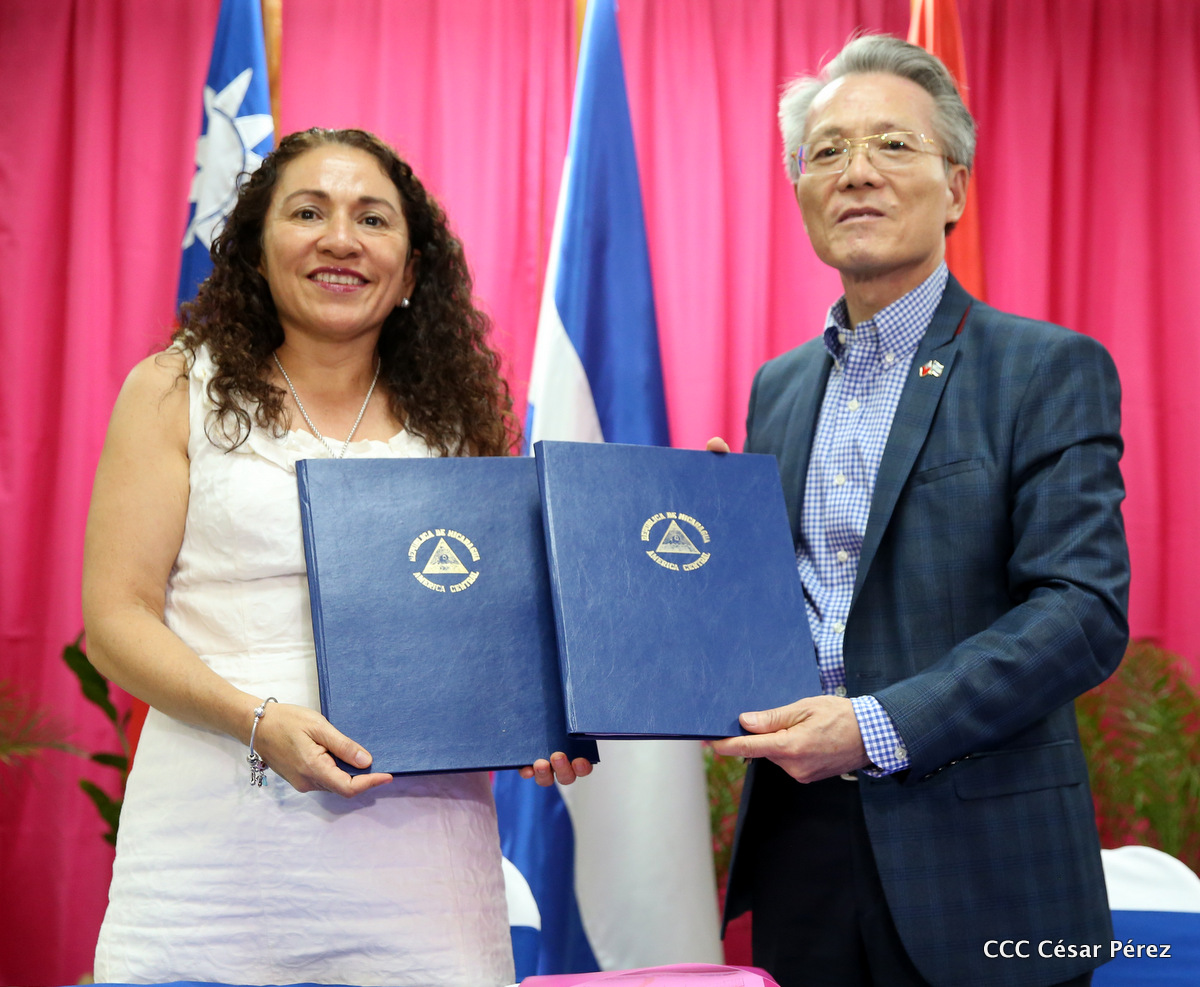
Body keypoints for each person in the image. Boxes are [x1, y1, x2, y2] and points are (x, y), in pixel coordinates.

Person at [83, 127, 590, 986]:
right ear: (256, 250)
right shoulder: (173, 388)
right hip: (209, 865)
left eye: (373, 218)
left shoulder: (457, 423)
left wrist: (543, 722)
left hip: (422, 872)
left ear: (413, 270)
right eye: (309, 212)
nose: (341, 239)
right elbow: (116, 620)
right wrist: (258, 718)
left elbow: (493, 634)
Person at [709, 36, 1129, 987]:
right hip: (803, 853)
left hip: (986, 863)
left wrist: (874, 726)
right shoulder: (778, 388)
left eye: (893, 145)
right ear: (800, 190)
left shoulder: (1044, 368)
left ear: (955, 188)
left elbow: (1082, 612)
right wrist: (718, 557)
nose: (856, 172)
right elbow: (797, 607)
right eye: (827, 151)